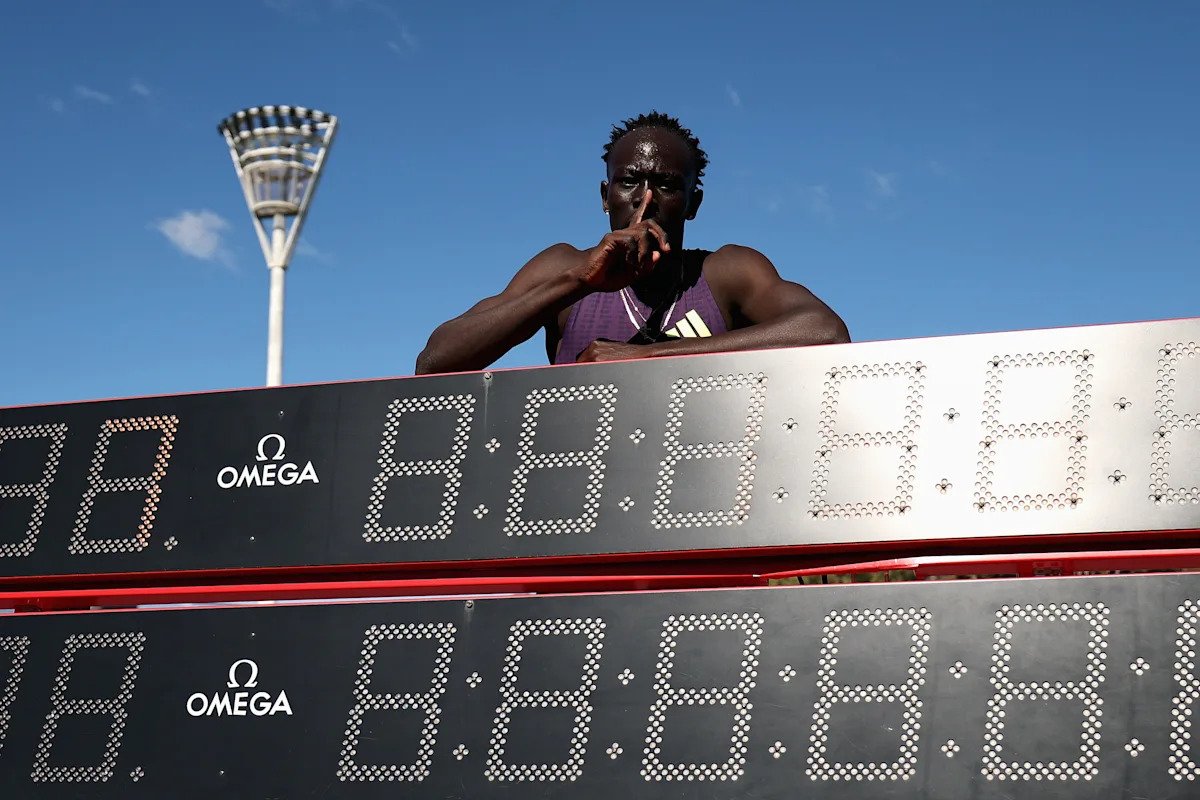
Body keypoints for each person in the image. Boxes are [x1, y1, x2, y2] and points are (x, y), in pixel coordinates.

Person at [415, 111, 849, 374]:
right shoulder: (563, 268)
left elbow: (825, 333)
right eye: (628, 182)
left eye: (665, 185)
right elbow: (436, 361)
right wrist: (578, 280)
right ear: (606, 198)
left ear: (691, 204)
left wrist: (648, 360)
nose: (645, 199)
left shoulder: (725, 272)